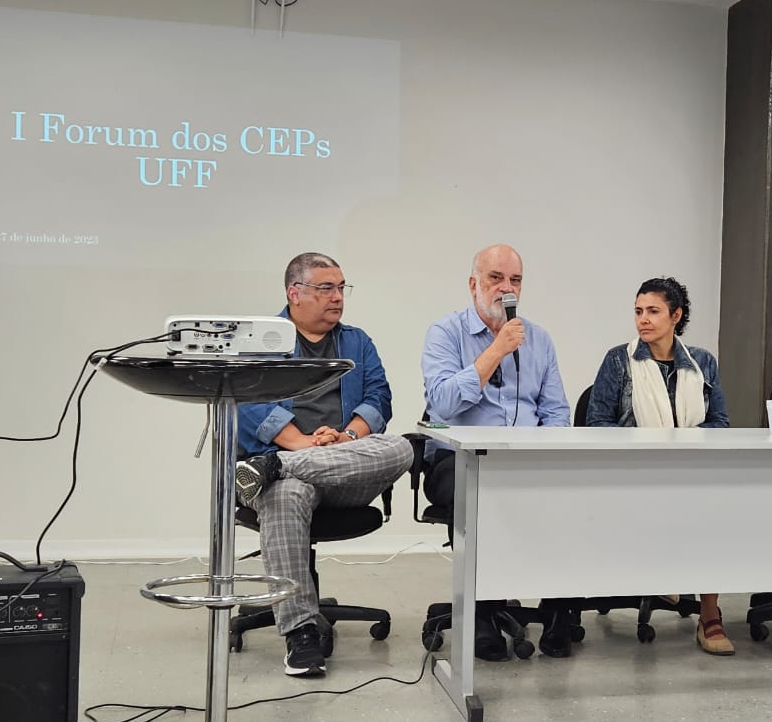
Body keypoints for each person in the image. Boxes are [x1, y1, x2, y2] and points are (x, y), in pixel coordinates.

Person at [234, 252, 413, 677]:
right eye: (326, 288)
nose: (338, 297)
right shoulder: (261, 341)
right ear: (294, 293)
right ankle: (301, 633)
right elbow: (248, 402)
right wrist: (299, 444)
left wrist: (345, 438)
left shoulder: (358, 342)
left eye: (341, 288)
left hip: (342, 470)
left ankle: (277, 466)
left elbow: (379, 398)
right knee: (286, 494)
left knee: (402, 448)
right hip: (288, 473)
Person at [421, 244, 573, 661]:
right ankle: (481, 612)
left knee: (576, 487)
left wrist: (544, 451)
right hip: (458, 459)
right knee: (475, 490)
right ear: (473, 284)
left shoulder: (539, 339)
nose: (506, 288)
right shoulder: (445, 333)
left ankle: (560, 608)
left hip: (523, 459)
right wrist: (496, 350)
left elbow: (557, 413)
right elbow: (443, 403)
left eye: (515, 280)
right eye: (495, 278)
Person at [584, 277, 736, 656]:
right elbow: (597, 424)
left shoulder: (702, 362)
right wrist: (651, 446)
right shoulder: (619, 360)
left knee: (715, 510)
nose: (643, 320)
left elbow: (720, 423)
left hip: (690, 471)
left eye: (653, 311)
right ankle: (668, 573)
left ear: (676, 315)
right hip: (633, 474)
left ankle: (709, 614)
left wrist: (680, 445)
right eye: (638, 311)